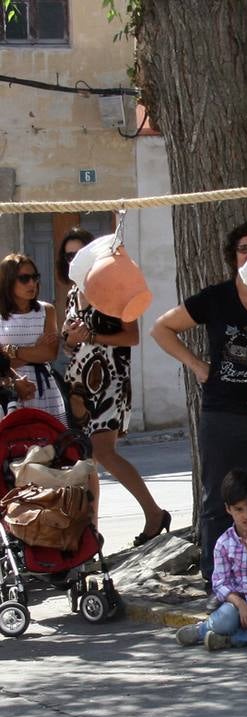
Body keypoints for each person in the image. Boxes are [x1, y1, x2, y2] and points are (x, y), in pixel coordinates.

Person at [152, 221, 247, 582]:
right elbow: (161, 328)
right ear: (233, 257)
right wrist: (198, 366)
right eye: (244, 248)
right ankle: (217, 579)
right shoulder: (215, 298)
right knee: (218, 499)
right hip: (223, 415)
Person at [58, 228, 170, 545]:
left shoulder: (114, 287)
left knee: (103, 452)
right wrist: (69, 338)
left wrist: (91, 336)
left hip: (110, 382)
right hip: (79, 384)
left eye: (79, 253)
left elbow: (131, 337)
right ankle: (90, 531)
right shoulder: (71, 295)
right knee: (85, 459)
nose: (73, 260)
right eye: (68, 255)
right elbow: (68, 347)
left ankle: (153, 513)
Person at [175, 468, 247, 651]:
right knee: (226, 619)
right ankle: (203, 630)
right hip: (235, 604)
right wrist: (240, 604)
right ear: (228, 509)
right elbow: (220, 583)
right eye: (239, 509)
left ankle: (231, 640)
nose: (246, 516)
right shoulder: (224, 543)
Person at [0, 253, 67, 423]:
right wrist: (34, 351)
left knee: (52, 445)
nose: (32, 283)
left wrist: (10, 351)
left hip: (45, 390)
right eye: (24, 278)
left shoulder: (47, 311)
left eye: (35, 277)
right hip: (10, 389)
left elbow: (50, 353)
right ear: (8, 281)